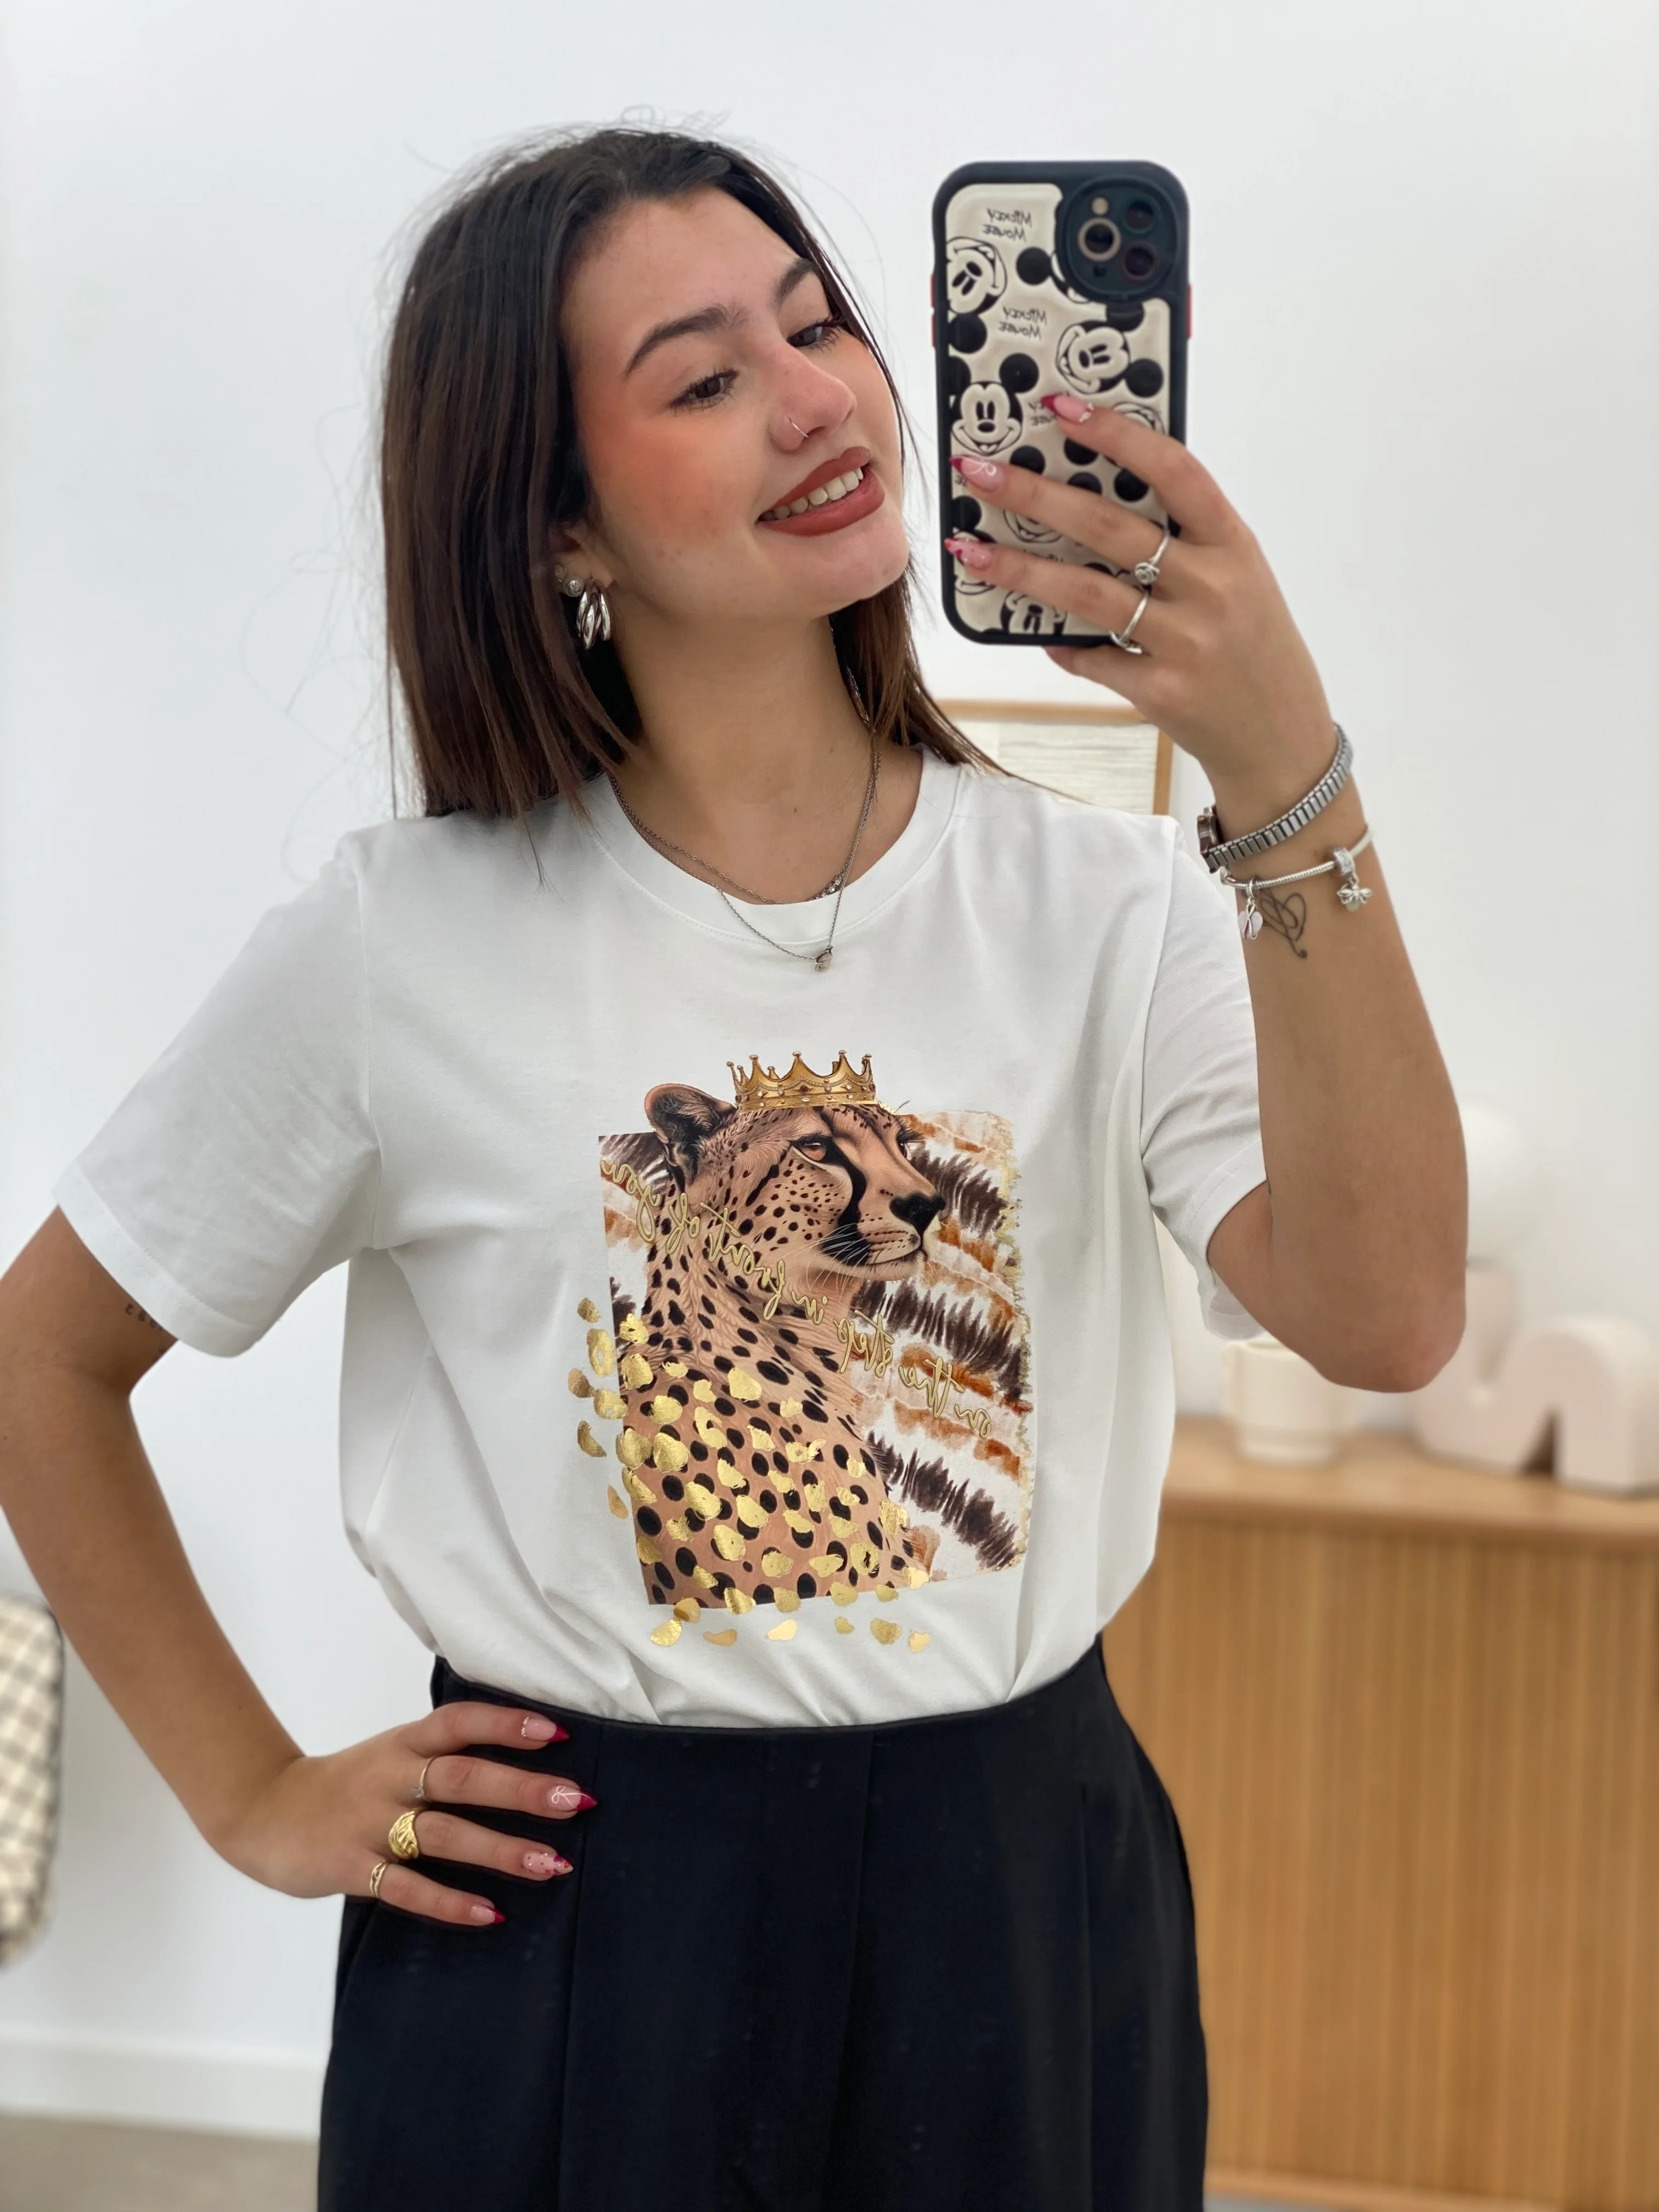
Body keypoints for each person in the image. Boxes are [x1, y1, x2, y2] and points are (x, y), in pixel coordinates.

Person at [0, 128, 1464, 2210]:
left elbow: (1388, 1317)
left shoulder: (1113, 902)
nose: (814, 399)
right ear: (553, 523)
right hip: (584, 1923)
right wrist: (249, 1791)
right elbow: (40, 1359)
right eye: (701, 378)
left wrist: (1281, 764)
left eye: (817, 325)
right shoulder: (403, 940)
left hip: (1018, 1892)